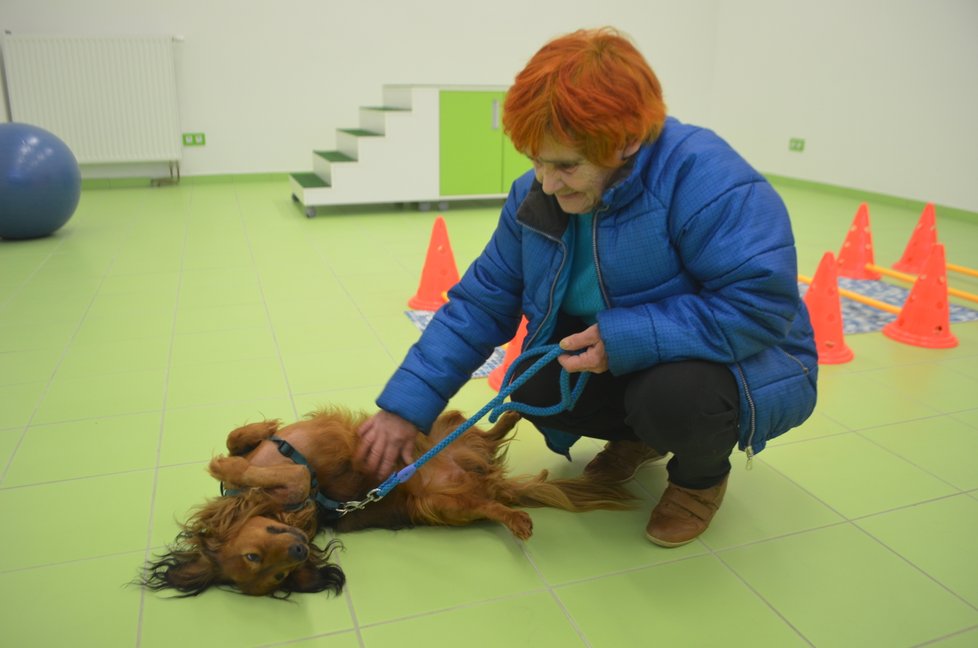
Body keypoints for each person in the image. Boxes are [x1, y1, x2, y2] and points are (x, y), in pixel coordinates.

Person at [356, 27, 818, 547]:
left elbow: (758, 307)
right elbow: (480, 304)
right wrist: (405, 406)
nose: (547, 183)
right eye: (535, 160)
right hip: (624, 348)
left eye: (565, 166)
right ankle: (638, 438)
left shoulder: (707, 178)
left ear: (626, 142)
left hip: (743, 356)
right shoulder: (536, 195)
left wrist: (626, 338)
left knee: (673, 400)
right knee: (532, 383)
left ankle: (699, 478)